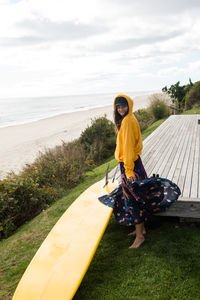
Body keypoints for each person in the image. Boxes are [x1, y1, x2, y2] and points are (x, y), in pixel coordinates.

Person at [99, 94, 181, 249]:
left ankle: (139, 236)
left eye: (123, 105)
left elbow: (129, 149)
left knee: (133, 199)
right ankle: (141, 229)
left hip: (131, 166)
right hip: (134, 164)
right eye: (118, 106)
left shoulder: (128, 121)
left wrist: (129, 172)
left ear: (129, 105)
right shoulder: (129, 119)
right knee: (137, 196)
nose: (121, 108)